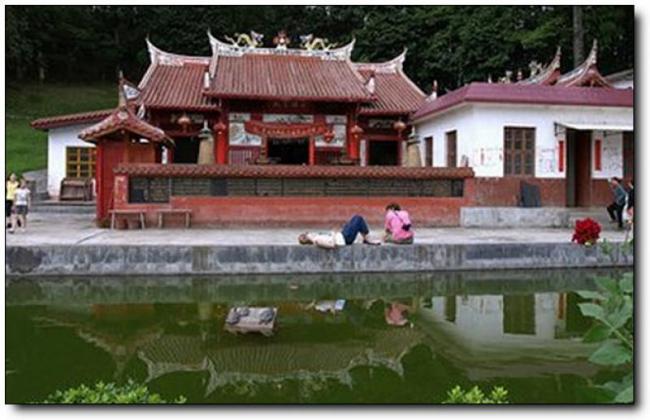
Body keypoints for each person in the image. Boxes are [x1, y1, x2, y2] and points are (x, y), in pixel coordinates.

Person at [298, 214, 380, 249]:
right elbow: (332, 244)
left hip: (342, 235)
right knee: (358, 218)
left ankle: (366, 238)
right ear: (307, 238)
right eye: (305, 235)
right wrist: (334, 233)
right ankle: (367, 239)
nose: (307, 233)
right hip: (345, 239)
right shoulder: (316, 240)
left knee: (354, 219)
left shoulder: (316, 237)